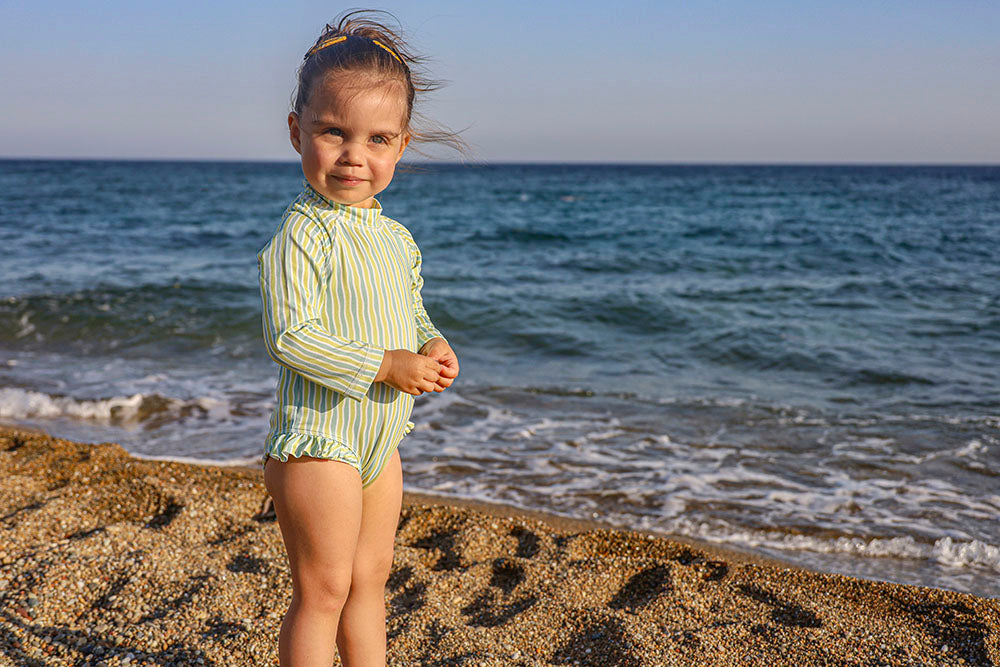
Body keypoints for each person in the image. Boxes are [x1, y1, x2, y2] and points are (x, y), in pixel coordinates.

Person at [257, 10, 461, 665]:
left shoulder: (396, 238)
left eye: (377, 139)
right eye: (333, 132)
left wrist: (433, 343)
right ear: (297, 132)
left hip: (381, 438)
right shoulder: (302, 233)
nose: (354, 155)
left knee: (371, 578)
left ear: (399, 146)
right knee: (323, 588)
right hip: (319, 438)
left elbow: (410, 312)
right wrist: (384, 363)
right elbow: (290, 336)